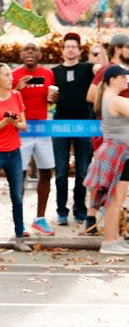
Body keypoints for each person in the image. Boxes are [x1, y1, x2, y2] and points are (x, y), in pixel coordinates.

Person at [0, 63, 32, 252]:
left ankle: (19, 238)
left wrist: (15, 122)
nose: (11, 78)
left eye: (11, 74)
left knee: (17, 196)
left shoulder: (17, 96)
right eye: (7, 75)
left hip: (14, 152)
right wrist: (4, 122)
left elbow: (24, 125)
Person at [12, 42, 56, 236]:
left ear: (40, 54)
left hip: (43, 128)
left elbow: (52, 101)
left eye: (33, 49)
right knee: (18, 175)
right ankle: (18, 221)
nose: (29, 52)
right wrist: (18, 89)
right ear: (21, 55)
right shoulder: (13, 75)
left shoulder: (48, 74)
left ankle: (40, 219)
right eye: (26, 49)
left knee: (46, 172)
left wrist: (53, 100)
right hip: (21, 130)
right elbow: (7, 101)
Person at [84, 65, 129, 255]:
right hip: (118, 152)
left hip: (116, 151)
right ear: (112, 80)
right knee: (115, 199)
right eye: (123, 77)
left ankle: (115, 238)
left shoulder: (108, 98)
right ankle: (110, 242)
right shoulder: (116, 100)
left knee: (115, 199)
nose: (126, 80)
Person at [51, 33, 95, 227]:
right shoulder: (54, 72)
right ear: (62, 50)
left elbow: (101, 70)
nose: (70, 49)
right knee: (60, 171)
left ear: (79, 50)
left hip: (84, 124)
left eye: (73, 46)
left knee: (82, 171)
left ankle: (80, 209)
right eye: (67, 46)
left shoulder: (87, 69)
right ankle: (61, 210)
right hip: (60, 124)